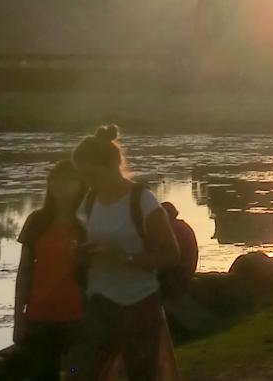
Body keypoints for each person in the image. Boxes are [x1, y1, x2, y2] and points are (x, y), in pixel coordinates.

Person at [71, 125, 182, 381]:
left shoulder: (142, 201)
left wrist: (124, 258)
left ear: (113, 166)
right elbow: (88, 247)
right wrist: (80, 255)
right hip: (99, 302)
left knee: (143, 374)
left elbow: (171, 255)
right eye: (82, 176)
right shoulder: (89, 202)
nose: (87, 182)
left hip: (140, 304)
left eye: (91, 175)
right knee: (78, 370)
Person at [13, 160, 87, 381]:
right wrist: (18, 319)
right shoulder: (36, 221)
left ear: (81, 185)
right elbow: (24, 271)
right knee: (44, 374)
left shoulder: (86, 223)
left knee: (75, 373)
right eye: (56, 178)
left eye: (68, 179)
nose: (60, 183)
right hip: (40, 317)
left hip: (78, 318)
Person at [158, 203, 198, 297]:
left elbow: (167, 256)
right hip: (187, 269)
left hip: (180, 272)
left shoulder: (171, 229)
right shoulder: (181, 225)